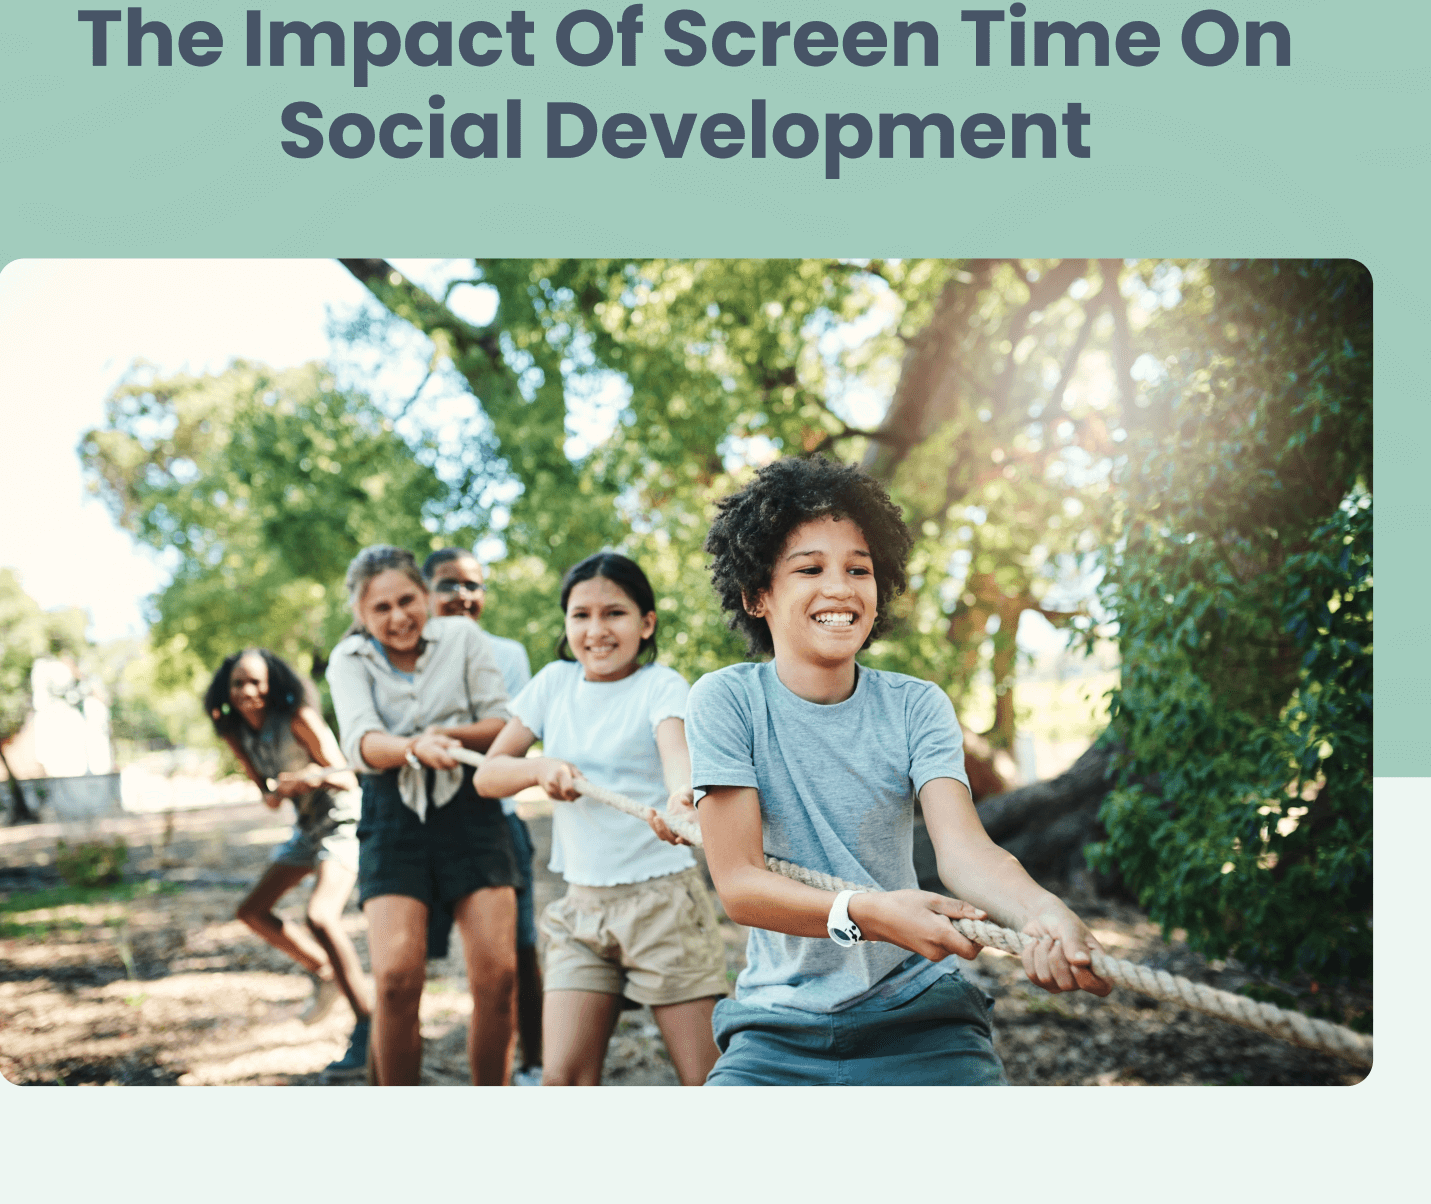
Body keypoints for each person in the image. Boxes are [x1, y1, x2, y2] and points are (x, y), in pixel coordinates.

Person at [686, 456, 1113, 1086]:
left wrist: (1040, 912)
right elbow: (741, 884)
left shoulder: (917, 706)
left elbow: (966, 854)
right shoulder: (726, 702)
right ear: (757, 595)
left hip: (920, 1012)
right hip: (777, 1025)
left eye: (859, 568)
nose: (840, 587)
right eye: (810, 568)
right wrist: (873, 913)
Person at [474, 552, 724, 1086]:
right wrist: (538, 767)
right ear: (566, 624)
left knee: (705, 1080)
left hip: (664, 906)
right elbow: (488, 775)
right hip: (582, 911)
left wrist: (682, 797)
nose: (596, 630)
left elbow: (676, 754)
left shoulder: (661, 686)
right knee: (562, 1081)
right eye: (580, 615)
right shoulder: (552, 685)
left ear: (646, 623)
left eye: (614, 613)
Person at [324, 546, 521, 1086]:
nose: (398, 616)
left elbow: (502, 724)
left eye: (407, 600)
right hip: (393, 814)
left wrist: (448, 738)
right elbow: (361, 743)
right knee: (395, 978)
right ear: (361, 616)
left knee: (499, 977)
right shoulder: (348, 660)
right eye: (380, 608)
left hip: (471, 809)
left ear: (425, 596)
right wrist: (413, 748)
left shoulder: (461, 638)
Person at [204, 648, 375, 1081]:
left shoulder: (297, 715)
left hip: (342, 817)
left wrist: (309, 778)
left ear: (273, 684)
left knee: (320, 915)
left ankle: (370, 1026)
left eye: (257, 682)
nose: (248, 692)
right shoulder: (234, 730)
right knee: (251, 912)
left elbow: (348, 773)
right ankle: (324, 969)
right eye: (239, 683)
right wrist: (274, 792)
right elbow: (264, 790)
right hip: (306, 825)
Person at [421, 544, 546, 1086]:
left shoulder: (507, 651)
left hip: (498, 820)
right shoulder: (405, 652)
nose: (463, 595)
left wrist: (440, 734)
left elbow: (508, 735)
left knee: (516, 956)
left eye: (474, 584)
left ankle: (533, 1063)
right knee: (402, 967)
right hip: (421, 824)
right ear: (425, 594)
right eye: (449, 584)